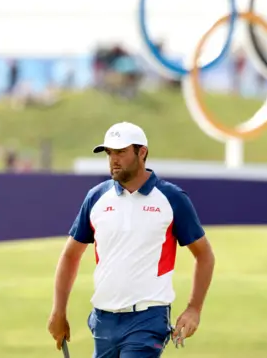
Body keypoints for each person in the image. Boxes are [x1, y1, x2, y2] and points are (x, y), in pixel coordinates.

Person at [47, 121, 215, 357]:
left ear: (142, 152)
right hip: (103, 320)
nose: (113, 160)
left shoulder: (171, 198)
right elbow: (70, 256)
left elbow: (204, 255)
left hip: (147, 319)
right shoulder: (96, 197)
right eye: (109, 153)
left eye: (121, 152)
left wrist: (194, 309)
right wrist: (58, 311)